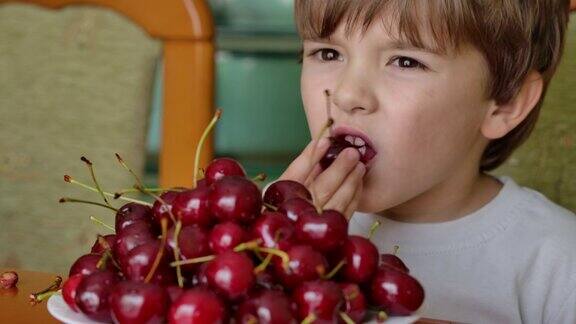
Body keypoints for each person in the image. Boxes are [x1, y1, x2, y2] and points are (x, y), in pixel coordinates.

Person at [277, 1, 576, 322]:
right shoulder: (270, 232)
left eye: (406, 62)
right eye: (328, 54)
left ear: (506, 103)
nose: (347, 94)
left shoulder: (559, 262)